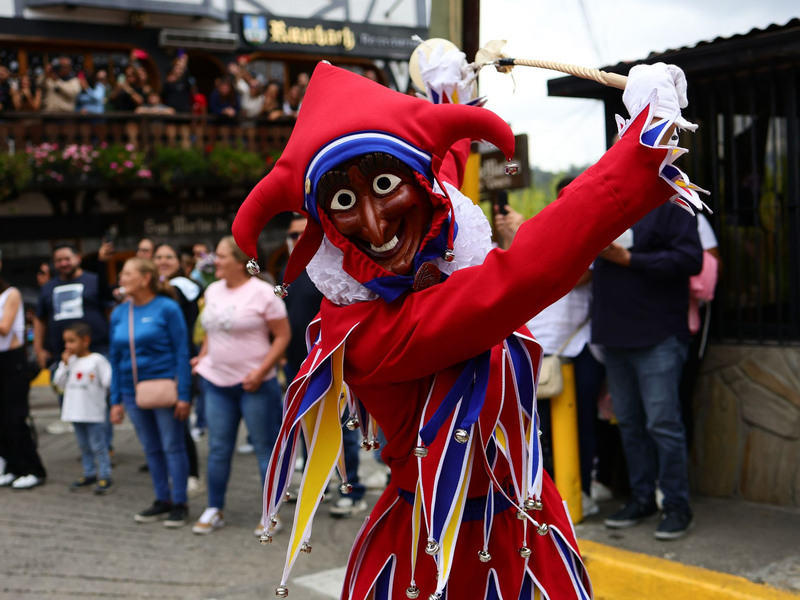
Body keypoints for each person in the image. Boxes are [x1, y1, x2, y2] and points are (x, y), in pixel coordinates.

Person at [231, 60, 706, 598]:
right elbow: (522, 274)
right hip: (442, 556)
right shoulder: (367, 331)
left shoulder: (423, 262)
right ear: (326, 227)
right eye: (343, 202)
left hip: (526, 524)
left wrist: (447, 93)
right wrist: (641, 148)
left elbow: (440, 174)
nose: (373, 223)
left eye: (385, 184)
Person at [595, 184, 703, 539]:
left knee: (663, 423)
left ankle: (676, 505)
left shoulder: (674, 202)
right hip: (614, 332)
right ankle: (641, 499)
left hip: (658, 332)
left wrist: (631, 260)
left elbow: (691, 259)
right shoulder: (607, 202)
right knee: (628, 423)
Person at [495, 177, 606, 519]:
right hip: (537, 352)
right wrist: (516, 240)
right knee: (538, 429)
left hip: (576, 350)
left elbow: (574, 274)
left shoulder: (592, 233)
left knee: (580, 425)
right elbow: (519, 276)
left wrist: (527, 234)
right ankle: (547, 494)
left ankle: (580, 491)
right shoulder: (545, 233)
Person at [191, 236, 290, 536]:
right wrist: (203, 357)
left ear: (239, 262)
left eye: (220, 256)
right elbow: (211, 328)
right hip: (216, 382)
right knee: (218, 448)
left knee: (264, 449)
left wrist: (262, 371)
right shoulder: (212, 290)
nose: (214, 261)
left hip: (255, 384)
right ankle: (214, 508)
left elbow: (283, 336)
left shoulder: (262, 293)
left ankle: (271, 514)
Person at [282, 214, 368, 518]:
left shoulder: (333, 269)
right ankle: (318, 485)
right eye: (292, 236)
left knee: (343, 430)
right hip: (298, 366)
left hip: (332, 366)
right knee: (308, 427)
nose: (296, 242)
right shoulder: (290, 271)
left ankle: (352, 489)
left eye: (301, 236)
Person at [109, 258, 192, 527]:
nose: (121, 278)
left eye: (127, 273)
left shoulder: (167, 308)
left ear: (145, 278)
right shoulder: (119, 313)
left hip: (164, 389)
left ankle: (179, 503)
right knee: (151, 448)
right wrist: (115, 399)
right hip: (132, 393)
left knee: (172, 446)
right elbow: (114, 357)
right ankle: (162, 499)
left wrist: (184, 394)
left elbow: (182, 351)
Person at [153, 243, 203, 494]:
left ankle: (191, 473)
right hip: (162, 361)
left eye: (168, 256)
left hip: (182, 358)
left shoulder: (184, 287)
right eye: (158, 257)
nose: (163, 260)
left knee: (180, 419)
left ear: (180, 262)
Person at [0, 253, 47, 489]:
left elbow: (5, 328)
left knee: (16, 417)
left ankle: (33, 468)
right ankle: (12, 466)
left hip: (12, 361)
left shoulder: (12, 294)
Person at [53, 322, 113, 494]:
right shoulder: (69, 361)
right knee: (83, 446)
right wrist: (64, 366)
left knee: (98, 445)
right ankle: (89, 473)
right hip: (75, 412)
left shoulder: (97, 360)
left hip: (93, 412)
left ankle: (105, 475)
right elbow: (59, 384)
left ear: (85, 340)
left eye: (72, 341)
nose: (68, 346)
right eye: (66, 342)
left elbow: (108, 381)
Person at [34, 243, 111, 370]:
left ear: (78, 258)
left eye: (67, 259)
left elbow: (109, 310)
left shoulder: (95, 281)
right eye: (59, 261)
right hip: (62, 356)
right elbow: (40, 318)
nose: (63, 263)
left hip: (98, 352)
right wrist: (38, 350)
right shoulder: (47, 288)